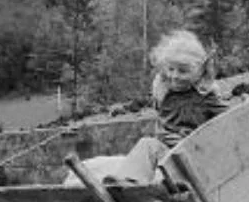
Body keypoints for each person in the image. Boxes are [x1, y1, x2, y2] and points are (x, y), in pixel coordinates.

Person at [66, 29, 228, 186]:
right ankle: (128, 181)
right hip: (167, 152)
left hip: (196, 153)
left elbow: (227, 123)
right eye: (171, 69)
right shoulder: (163, 90)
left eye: (183, 71)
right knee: (147, 144)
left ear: (200, 71)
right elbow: (162, 121)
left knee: (167, 158)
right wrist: (163, 135)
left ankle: (171, 183)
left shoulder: (206, 96)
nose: (174, 76)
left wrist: (190, 141)